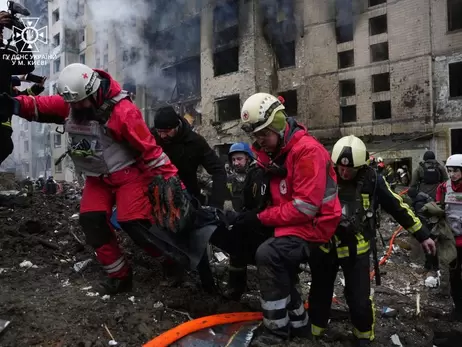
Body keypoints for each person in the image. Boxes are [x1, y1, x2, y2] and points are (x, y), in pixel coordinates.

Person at [0, 63, 184, 295]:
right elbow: (39, 106)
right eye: (72, 103)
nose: (75, 107)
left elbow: (151, 152)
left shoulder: (123, 112)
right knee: (91, 220)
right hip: (97, 178)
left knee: (134, 223)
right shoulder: (72, 103)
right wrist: (12, 104)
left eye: (80, 102)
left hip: (129, 175)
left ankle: (171, 259)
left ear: (94, 92)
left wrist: (176, 184)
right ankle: (120, 276)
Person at [232, 92, 342, 342]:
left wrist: (260, 217)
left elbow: (304, 208)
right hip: (294, 222)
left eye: (264, 134)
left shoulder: (307, 152)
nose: (260, 142)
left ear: (279, 126)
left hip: (315, 226)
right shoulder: (275, 154)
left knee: (269, 254)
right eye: (256, 136)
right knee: (248, 240)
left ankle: (276, 331)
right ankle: (300, 325)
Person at [323, 135, 436, 346]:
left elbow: (397, 206)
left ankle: (363, 339)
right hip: (325, 247)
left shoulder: (373, 179)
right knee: (320, 295)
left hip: (357, 250)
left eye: (350, 169)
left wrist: (423, 234)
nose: (344, 172)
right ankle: (315, 336)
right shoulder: (324, 177)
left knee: (359, 301)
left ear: (362, 165)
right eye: (340, 167)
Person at [151, 106, 227, 209]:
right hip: (156, 200)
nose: (162, 136)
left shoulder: (195, 142)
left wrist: (216, 205)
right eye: (159, 131)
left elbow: (218, 170)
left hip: (188, 201)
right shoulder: (151, 138)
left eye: (167, 131)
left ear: (176, 126)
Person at [0, 10, 36, 165]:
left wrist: (20, 34)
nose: (1, 32)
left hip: (3, 122)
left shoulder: (5, 55)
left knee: (5, 146)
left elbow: (27, 64)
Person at [436, 154, 462, 321]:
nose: (452, 174)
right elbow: (438, 208)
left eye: (456, 171)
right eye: (450, 171)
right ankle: (458, 309)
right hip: (452, 241)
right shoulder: (444, 188)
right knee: (454, 276)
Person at [226, 142, 255, 212]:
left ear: (248, 159)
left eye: (239, 159)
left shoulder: (256, 177)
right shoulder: (229, 180)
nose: (236, 163)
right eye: (233, 159)